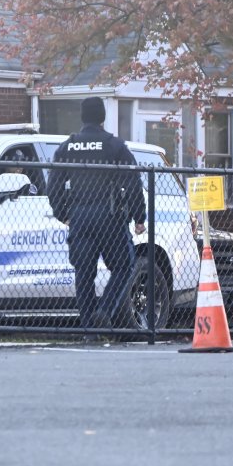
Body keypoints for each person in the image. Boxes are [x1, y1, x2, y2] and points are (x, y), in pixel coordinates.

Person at [47, 97, 147, 332]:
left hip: (79, 217)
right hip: (110, 217)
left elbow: (53, 186)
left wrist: (63, 214)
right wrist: (139, 217)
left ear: (83, 117)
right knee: (124, 265)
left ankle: (89, 329)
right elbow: (132, 182)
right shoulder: (114, 145)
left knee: (84, 272)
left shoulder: (68, 146)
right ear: (102, 117)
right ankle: (105, 310)